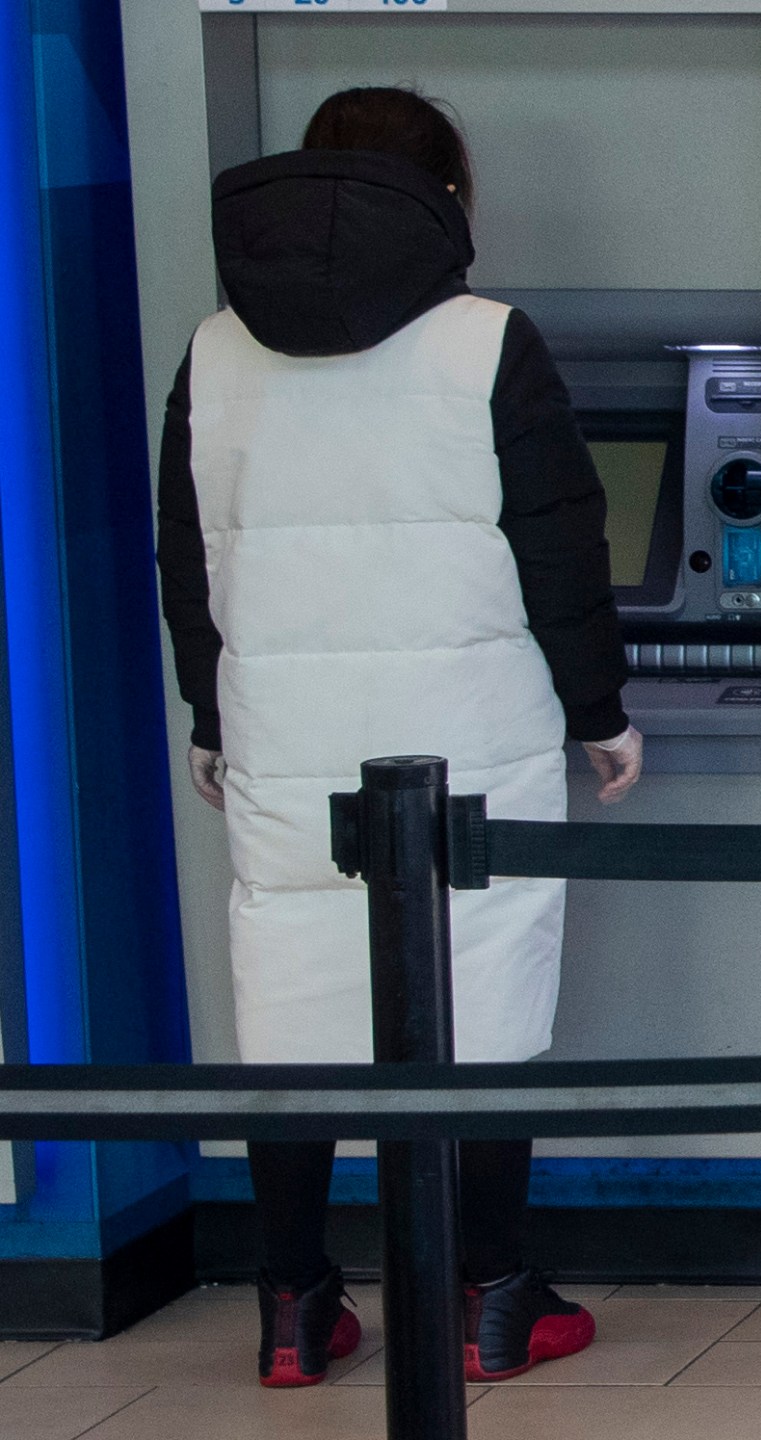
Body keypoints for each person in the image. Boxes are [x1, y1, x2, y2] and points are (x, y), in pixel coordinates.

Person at [155, 87, 644, 1388]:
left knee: (295, 1004)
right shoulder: (488, 344)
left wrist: (213, 713)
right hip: (464, 735)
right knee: (479, 1001)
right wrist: (600, 709)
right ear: (448, 201)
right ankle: (493, 1294)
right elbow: (560, 544)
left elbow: (192, 562)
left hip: (288, 735)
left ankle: (295, 1306)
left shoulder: (215, 355)